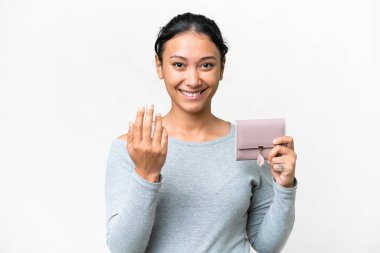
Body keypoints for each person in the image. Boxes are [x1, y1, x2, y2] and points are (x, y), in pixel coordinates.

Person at [105, 12, 298, 253]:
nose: (193, 80)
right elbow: (124, 249)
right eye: (179, 65)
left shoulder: (251, 143)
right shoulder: (131, 148)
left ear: (222, 67)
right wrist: (147, 173)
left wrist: (285, 186)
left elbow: (267, 245)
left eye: (206, 65)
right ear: (159, 66)